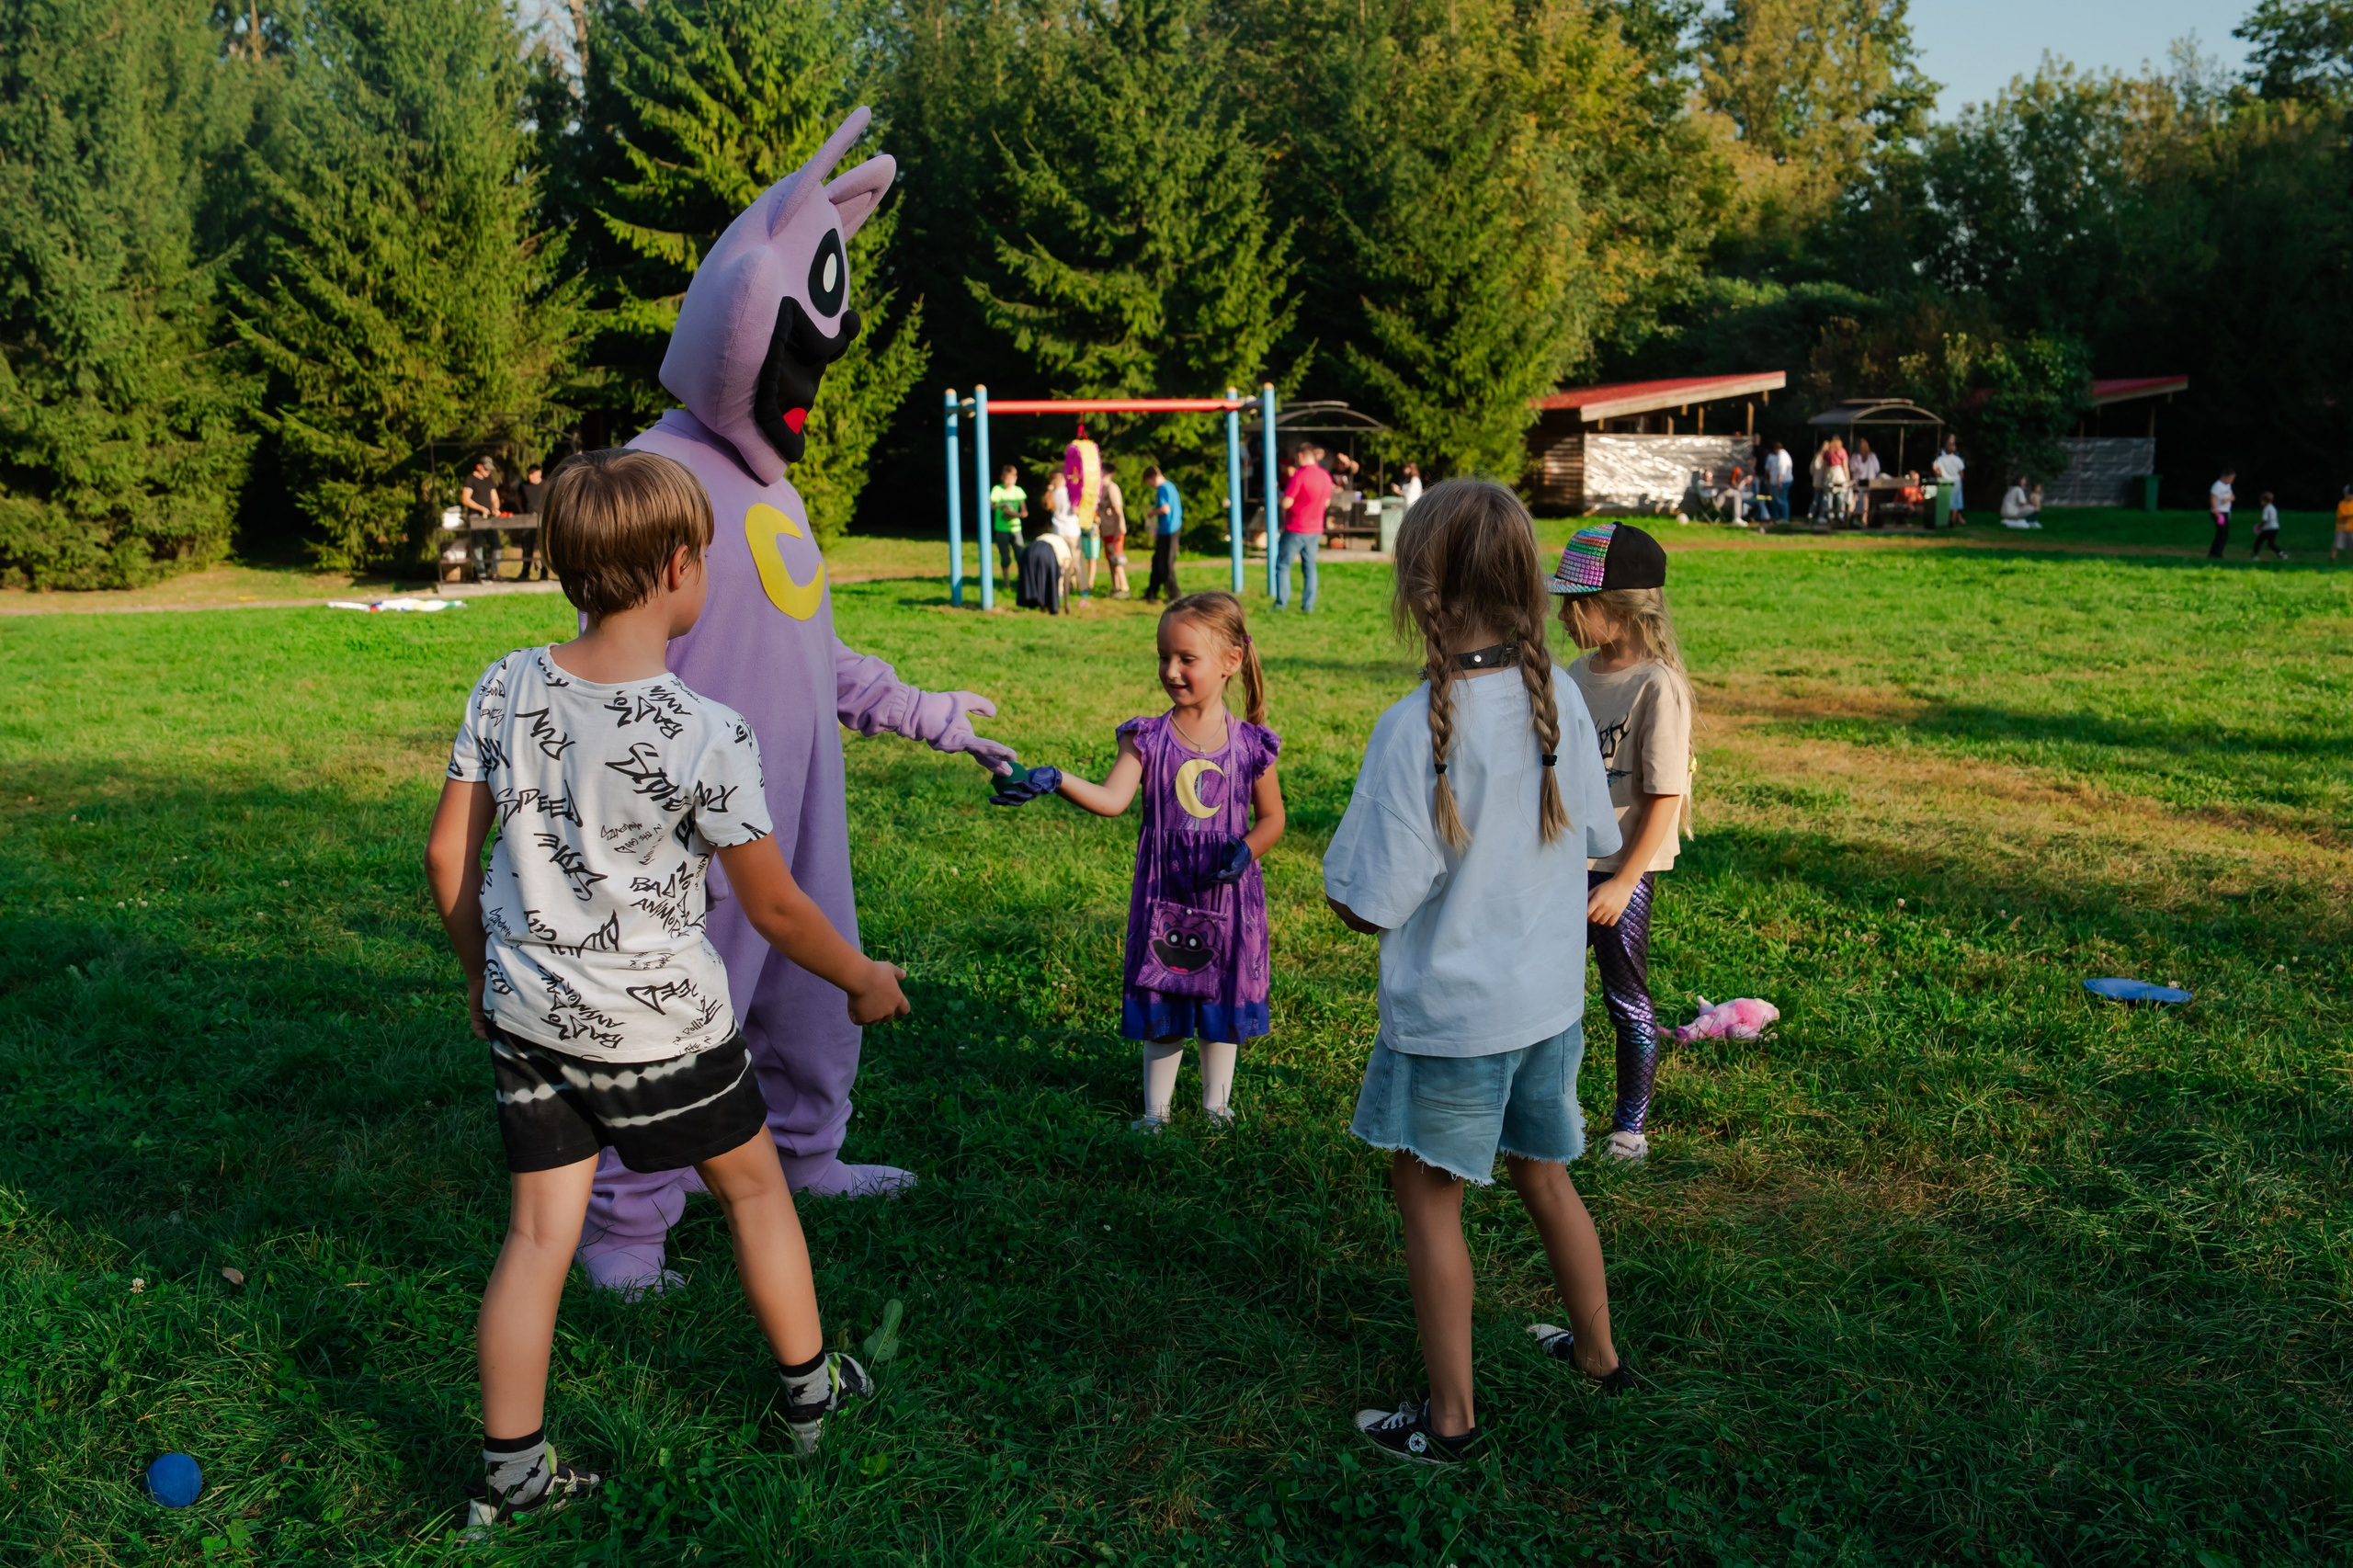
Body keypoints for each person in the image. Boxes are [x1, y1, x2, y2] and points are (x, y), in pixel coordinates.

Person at [424, 449, 905, 1528]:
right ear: (682, 565)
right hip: (669, 1037)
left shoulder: (503, 684)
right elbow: (776, 908)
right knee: (754, 1191)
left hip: (531, 1024)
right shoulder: (706, 733)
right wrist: (864, 978)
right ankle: (811, 1395)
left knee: (538, 1237)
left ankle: (510, 1473)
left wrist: (479, 974)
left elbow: (447, 860)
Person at [1321, 478, 1628, 1467]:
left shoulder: (1412, 727)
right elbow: (1592, 836)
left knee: (1426, 1200)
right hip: (1547, 1005)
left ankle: (1449, 1421)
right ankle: (1597, 1354)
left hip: (1454, 1020)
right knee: (1548, 1176)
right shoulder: (1562, 710)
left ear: (1421, 594)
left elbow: (1369, 897)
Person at [988, 592, 1283, 1131]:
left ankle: (1217, 1106)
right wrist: (1055, 778)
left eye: (1186, 659)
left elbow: (1272, 819)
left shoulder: (1249, 745)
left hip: (1227, 894)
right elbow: (1112, 801)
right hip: (1166, 893)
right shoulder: (1146, 738)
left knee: (1219, 1004)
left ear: (1230, 663)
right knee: (1164, 992)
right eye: (1163, 657)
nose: (1171, 670)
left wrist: (1247, 849)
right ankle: (1156, 1113)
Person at [1551, 521, 1693, 1164]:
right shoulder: (1573, 675)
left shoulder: (1656, 687)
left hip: (1618, 873)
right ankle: (1548, 1110)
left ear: (1615, 609)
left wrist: (1625, 880)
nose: (1562, 617)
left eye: (1573, 604)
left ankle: (1629, 1128)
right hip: (1560, 866)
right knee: (1546, 995)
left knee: (1625, 999)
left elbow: (1665, 798)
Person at [1278, 440, 1333, 613]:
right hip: (1315, 529)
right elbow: (1326, 502)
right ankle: (1308, 606)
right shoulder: (1325, 476)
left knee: (1283, 565)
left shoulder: (1300, 475)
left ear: (1300, 456)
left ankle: (1281, 604)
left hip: (1296, 528)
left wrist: (1278, 497)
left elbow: (1287, 502)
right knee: (1310, 567)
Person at [1143, 464, 1182, 603]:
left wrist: (1151, 513)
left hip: (1169, 530)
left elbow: (1165, 509)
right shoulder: (1170, 486)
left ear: (1153, 477)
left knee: (1165, 564)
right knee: (1157, 562)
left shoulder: (1163, 488)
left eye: (1149, 483)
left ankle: (1175, 595)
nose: (1151, 486)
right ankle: (1151, 594)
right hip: (1168, 529)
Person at [989, 464, 1029, 586]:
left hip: (1015, 529)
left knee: (1020, 555)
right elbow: (991, 506)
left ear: (1016, 478)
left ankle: (1021, 580)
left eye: (1013, 478)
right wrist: (1002, 507)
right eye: (1008, 478)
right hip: (1001, 529)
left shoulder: (1018, 491)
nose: (1010, 481)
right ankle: (1007, 583)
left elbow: (1024, 512)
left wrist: (1014, 514)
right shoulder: (997, 490)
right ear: (1002, 478)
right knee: (1005, 557)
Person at [1099, 460, 1131, 597]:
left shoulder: (1112, 488)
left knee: (1117, 559)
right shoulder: (1101, 489)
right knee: (1110, 559)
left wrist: (1119, 530)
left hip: (1115, 530)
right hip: (1107, 530)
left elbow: (1118, 511)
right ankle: (1115, 587)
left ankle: (1124, 588)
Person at [513, 463, 549, 580]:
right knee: (527, 547)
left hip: (542, 520)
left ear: (539, 473)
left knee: (544, 547)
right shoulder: (523, 486)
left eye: (533, 473)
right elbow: (517, 497)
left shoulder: (546, 485)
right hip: (527, 520)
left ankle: (545, 572)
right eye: (529, 474)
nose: (530, 476)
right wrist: (522, 511)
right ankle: (525, 571)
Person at [1932, 436, 1967, 527]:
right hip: (1956, 482)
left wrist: (1938, 474)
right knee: (1955, 502)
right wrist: (1961, 479)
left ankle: (1942, 519)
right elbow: (1961, 472)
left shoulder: (1940, 459)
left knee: (1944, 501)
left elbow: (1934, 467)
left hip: (1944, 482)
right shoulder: (1957, 459)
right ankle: (1952, 521)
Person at [1850, 438, 1881, 526]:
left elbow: (1853, 468)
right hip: (1869, 481)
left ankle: (1851, 515)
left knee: (1855, 498)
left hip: (1858, 481)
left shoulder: (1856, 456)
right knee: (1865, 499)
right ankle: (1864, 517)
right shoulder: (1872, 456)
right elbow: (1877, 469)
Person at [2208, 470, 2236, 559]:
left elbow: (2232, 497)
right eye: (2230, 478)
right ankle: (2216, 554)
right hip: (2219, 513)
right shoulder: (2217, 486)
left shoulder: (2227, 486)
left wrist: (2228, 499)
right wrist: (2216, 512)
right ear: (2224, 476)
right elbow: (2213, 499)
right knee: (2222, 533)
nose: (2232, 480)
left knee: (2224, 534)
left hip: (2226, 512)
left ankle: (2216, 553)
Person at [2253, 491, 2286, 559]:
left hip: (2268, 528)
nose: (2260, 503)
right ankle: (2281, 553)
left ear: (2265, 501)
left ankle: (2255, 555)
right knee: (2270, 543)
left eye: (2261, 501)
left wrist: (2259, 527)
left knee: (2258, 542)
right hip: (2275, 528)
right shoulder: (2273, 508)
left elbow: (2265, 520)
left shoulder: (2266, 509)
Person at [1765, 440, 1793, 520]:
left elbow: (1782, 468)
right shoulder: (1785, 454)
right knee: (1778, 499)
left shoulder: (1781, 455)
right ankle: (1777, 517)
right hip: (1784, 480)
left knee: (1781, 500)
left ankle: (1784, 518)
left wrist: (1779, 481)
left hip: (1783, 481)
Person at [2335, 484, 2353, 563]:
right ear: (2345, 494)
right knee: (2336, 546)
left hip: (2352, 529)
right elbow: (2343, 516)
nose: (2351, 496)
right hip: (2341, 529)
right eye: (2350, 494)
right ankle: (2332, 561)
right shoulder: (2341, 504)